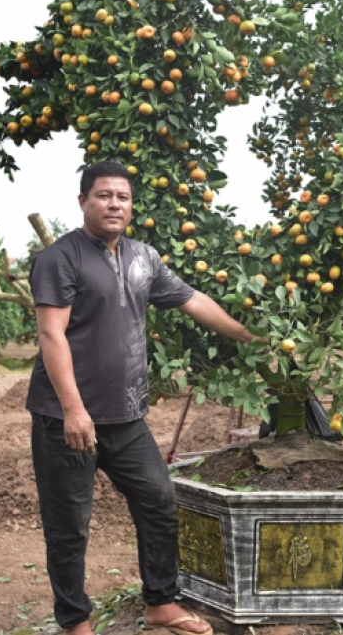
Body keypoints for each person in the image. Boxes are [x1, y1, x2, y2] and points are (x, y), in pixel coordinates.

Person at [27, 161, 264, 635]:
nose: (114, 204)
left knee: (159, 500)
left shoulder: (143, 258)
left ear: (132, 206)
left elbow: (193, 300)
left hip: (126, 416)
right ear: (83, 202)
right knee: (69, 525)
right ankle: (74, 621)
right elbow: (52, 335)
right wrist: (74, 409)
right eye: (103, 195)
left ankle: (160, 602)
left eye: (123, 197)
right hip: (66, 420)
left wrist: (252, 337)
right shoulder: (60, 258)